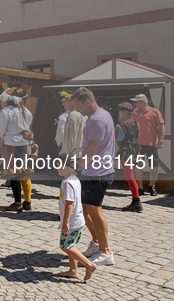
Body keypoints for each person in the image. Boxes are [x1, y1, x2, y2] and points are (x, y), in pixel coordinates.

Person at [71, 87, 115, 266]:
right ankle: (97, 243)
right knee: (86, 209)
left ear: (87, 102)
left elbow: (92, 149)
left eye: (78, 106)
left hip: (97, 172)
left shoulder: (97, 120)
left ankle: (106, 252)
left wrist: (76, 168)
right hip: (93, 171)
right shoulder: (100, 115)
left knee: (95, 212)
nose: (77, 110)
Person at [56, 153, 97, 281]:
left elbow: (69, 203)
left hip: (72, 221)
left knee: (65, 246)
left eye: (58, 165)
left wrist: (65, 223)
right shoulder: (75, 179)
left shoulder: (67, 183)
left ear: (65, 166)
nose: (57, 168)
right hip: (78, 219)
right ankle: (73, 270)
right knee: (70, 245)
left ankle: (88, 264)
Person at [0, 88, 34, 212]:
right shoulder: (26, 111)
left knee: (14, 172)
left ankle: (17, 202)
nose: (2, 102)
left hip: (10, 144)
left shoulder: (5, 111)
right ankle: (27, 202)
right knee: (24, 172)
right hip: (25, 143)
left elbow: (0, 129)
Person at [131, 94, 165, 196]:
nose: (135, 103)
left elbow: (162, 126)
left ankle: (151, 186)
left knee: (154, 166)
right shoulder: (134, 113)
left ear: (142, 102)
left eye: (136, 101)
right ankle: (140, 188)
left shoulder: (155, 112)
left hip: (151, 144)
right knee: (138, 166)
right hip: (138, 144)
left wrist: (161, 140)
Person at [115, 102, 142, 212]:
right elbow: (138, 136)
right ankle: (136, 200)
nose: (118, 113)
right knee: (131, 175)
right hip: (135, 151)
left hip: (126, 152)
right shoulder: (136, 123)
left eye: (120, 111)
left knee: (130, 176)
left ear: (124, 112)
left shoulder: (121, 125)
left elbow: (118, 138)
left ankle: (136, 201)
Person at [58, 91, 87, 159]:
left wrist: (63, 155)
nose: (63, 102)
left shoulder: (73, 116)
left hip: (73, 155)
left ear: (72, 101)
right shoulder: (84, 114)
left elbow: (70, 139)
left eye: (65, 99)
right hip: (83, 153)